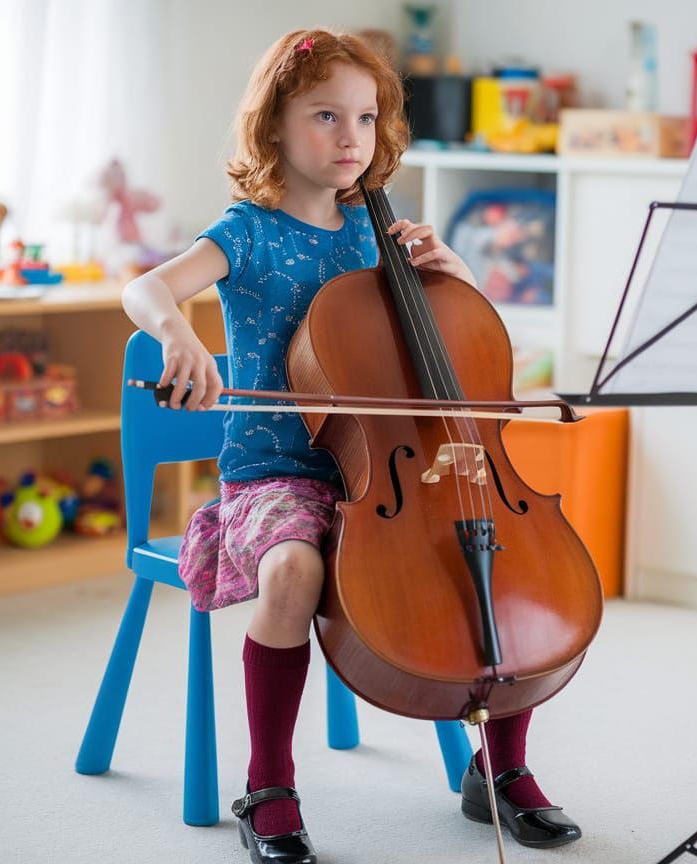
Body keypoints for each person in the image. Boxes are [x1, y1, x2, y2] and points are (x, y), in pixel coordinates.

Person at [121, 28, 582, 864]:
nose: (349, 139)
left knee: (507, 555)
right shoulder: (247, 233)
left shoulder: (383, 235)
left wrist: (455, 275)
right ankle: (268, 783)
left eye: (366, 119)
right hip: (278, 471)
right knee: (294, 569)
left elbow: (465, 353)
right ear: (274, 128)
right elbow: (146, 285)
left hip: (393, 470)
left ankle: (502, 767)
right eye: (326, 116)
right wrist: (176, 338)